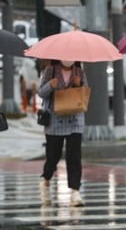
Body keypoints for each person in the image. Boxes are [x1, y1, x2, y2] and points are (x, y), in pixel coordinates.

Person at [38, 59, 88, 207]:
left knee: (74, 156)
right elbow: (41, 93)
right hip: (54, 120)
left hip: (75, 120)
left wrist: (79, 84)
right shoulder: (50, 71)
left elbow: (85, 93)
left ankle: (75, 192)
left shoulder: (80, 72)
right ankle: (46, 181)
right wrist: (50, 86)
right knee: (53, 157)